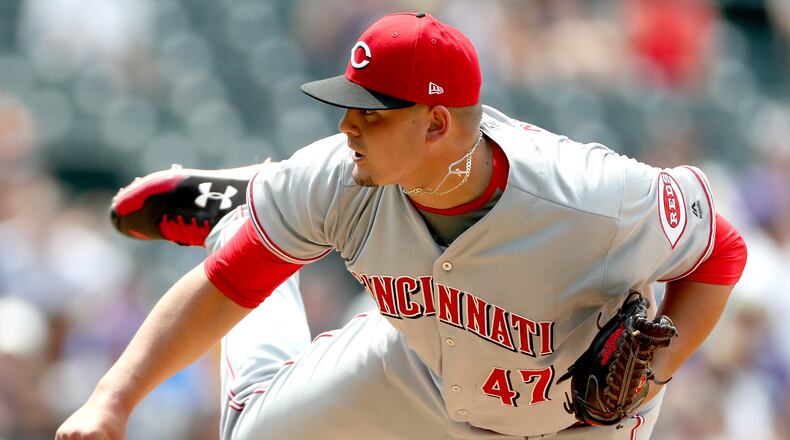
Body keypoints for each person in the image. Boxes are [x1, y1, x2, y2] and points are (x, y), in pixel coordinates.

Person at [56, 12, 747, 440]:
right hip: (423, 371)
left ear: (437, 123)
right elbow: (230, 281)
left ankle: (261, 204)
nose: (346, 125)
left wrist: (659, 368)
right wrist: (112, 401)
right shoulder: (340, 170)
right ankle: (249, 212)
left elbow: (722, 250)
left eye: (370, 113)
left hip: (576, 422)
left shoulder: (593, 198)